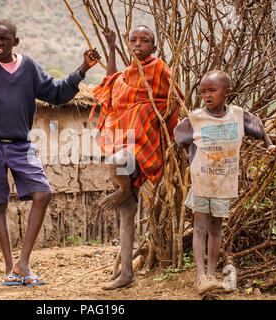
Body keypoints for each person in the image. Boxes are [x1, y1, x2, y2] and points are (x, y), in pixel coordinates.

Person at [0, 19, 100, 286]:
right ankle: (11, 269)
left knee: (42, 193)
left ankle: (23, 261)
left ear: (16, 41)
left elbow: (57, 93)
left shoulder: (29, 68)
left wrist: (83, 69)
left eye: (4, 39)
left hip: (21, 145)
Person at [89, 26, 183, 290]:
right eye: (133, 40)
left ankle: (123, 189)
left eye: (145, 41)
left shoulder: (159, 69)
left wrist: (146, 112)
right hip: (122, 137)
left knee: (115, 161)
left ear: (153, 46)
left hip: (144, 142)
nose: (138, 44)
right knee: (127, 209)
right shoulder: (128, 73)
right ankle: (127, 273)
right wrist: (111, 45)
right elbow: (111, 82)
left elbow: (175, 99)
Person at [174, 70, 276, 295]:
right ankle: (201, 276)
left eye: (212, 90)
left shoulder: (238, 116)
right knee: (200, 227)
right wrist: (188, 155)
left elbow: (259, 127)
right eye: (203, 92)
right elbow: (179, 135)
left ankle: (212, 272)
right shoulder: (196, 118)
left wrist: (269, 144)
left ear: (227, 92)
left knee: (216, 228)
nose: (207, 96)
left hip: (224, 182)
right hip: (202, 181)